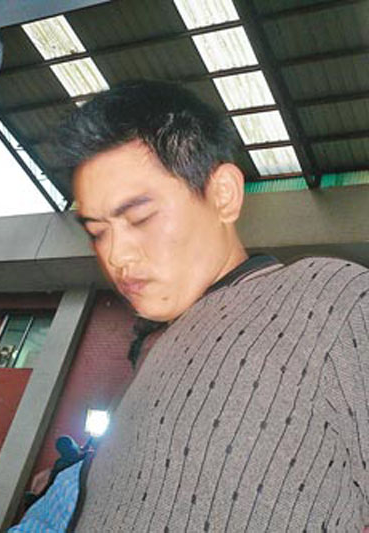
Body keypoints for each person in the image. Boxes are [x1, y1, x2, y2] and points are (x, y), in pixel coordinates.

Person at [56, 80, 369, 531]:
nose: (116, 256)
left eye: (140, 218)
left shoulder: (331, 298)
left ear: (222, 194)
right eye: (97, 232)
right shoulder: (154, 353)